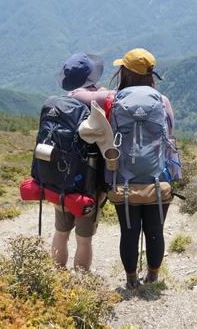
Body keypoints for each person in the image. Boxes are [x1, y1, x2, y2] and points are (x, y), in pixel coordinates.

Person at [108, 48, 175, 289]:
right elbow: (170, 135)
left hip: (123, 180)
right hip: (159, 179)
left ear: (124, 72)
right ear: (150, 74)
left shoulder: (114, 101)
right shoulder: (162, 101)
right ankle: (153, 277)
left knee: (129, 232)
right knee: (155, 230)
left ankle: (131, 280)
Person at [51, 53, 108, 271]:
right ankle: (82, 285)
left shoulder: (63, 104)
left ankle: (57, 276)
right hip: (87, 183)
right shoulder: (99, 100)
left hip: (60, 179)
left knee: (61, 232)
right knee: (83, 239)